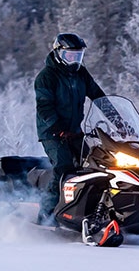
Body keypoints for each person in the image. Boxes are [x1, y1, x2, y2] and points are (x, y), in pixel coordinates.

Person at [34, 32, 106, 226]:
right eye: (70, 56)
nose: (75, 60)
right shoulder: (46, 76)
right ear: (58, 54)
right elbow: (44, 106)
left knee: (96, 163)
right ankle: (46, 214)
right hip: (52, 132)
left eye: (78, 55)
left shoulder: (80, 73)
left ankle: (93, 210)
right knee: (63, 166)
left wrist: (115, 116)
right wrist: (57, 128)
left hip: (74, 131)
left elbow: (97, 95)